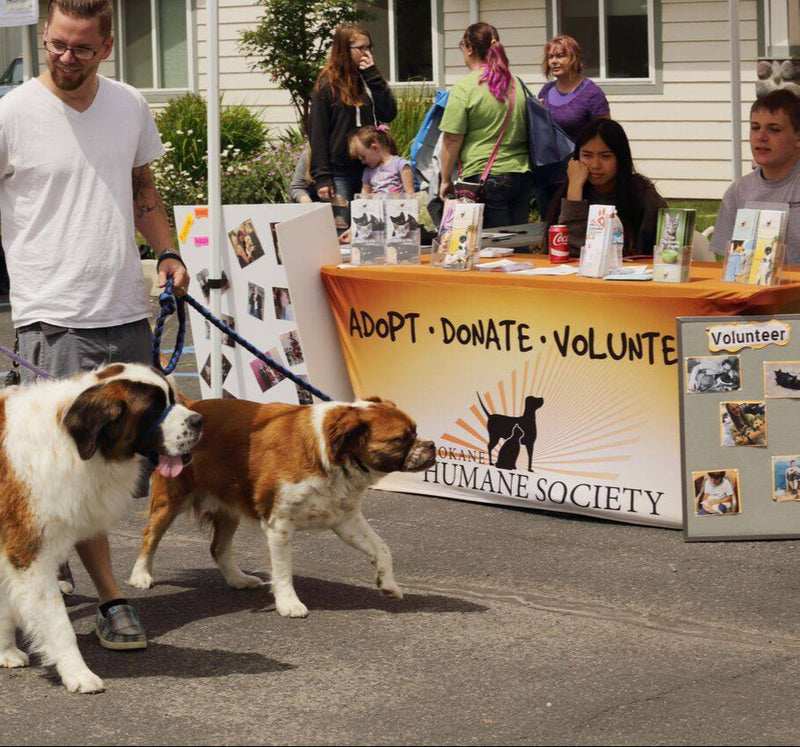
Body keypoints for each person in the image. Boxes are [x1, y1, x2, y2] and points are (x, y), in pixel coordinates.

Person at [0, 0, 188, 650]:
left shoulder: (129, 105)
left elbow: (143, 190)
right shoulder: (12, 114)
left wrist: (167, 251)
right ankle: (111, 600)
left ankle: (46, 559)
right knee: (73, 467)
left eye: (81, 47)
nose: (65, 57)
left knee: (117, 466)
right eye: (56, 44)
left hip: (125, 309)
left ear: (106, 46)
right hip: (53, 317)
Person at [438, 23, 532, 229]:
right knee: (518, 241)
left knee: (492, 243)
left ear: (470, 48)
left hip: (484, 177)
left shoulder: (465, 87)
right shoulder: (516, 83)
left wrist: (445, 179)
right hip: (521, 175)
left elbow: (452, 138)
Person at [545, 118, 668, 257]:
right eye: (587, 155)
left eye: (605, 156)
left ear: (620, 159)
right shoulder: (571, 188)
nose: (595, 165)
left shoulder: (641, 195)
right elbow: (569, 252)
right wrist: (574, 191)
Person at [308, 23, 397, 207]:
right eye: (361, 48)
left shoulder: (369, 78)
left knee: (375, 222)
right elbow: (318, 132)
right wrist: (322, 176)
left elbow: (388, 113)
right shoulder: (327, 84)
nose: (367, 53)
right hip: (342, 172)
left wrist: (373, 77)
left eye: (369, 47)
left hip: (373, 168)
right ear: (344, 50)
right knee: (342, 222)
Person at [711, 90, 800, 264]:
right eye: (755, 127)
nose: (761, 137)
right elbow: (730, 263)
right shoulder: (738, 192)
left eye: (774, 130)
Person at [534, 34, 611, 218]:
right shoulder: (546, 91)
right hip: (547, 175)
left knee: (574, 223)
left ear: (574, 58)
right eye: (551, 57)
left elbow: (606, 134)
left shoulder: (592, 93)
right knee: (549, 226)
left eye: (560, 56)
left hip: (579, 176)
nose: (554, 61)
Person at [348, 124, 414, 195]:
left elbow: (410, 193)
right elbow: (364, 196)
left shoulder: (400, 165)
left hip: (397, 202)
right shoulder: (368, 171)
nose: (363, 162)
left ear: (375, 148)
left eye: (364, 157)